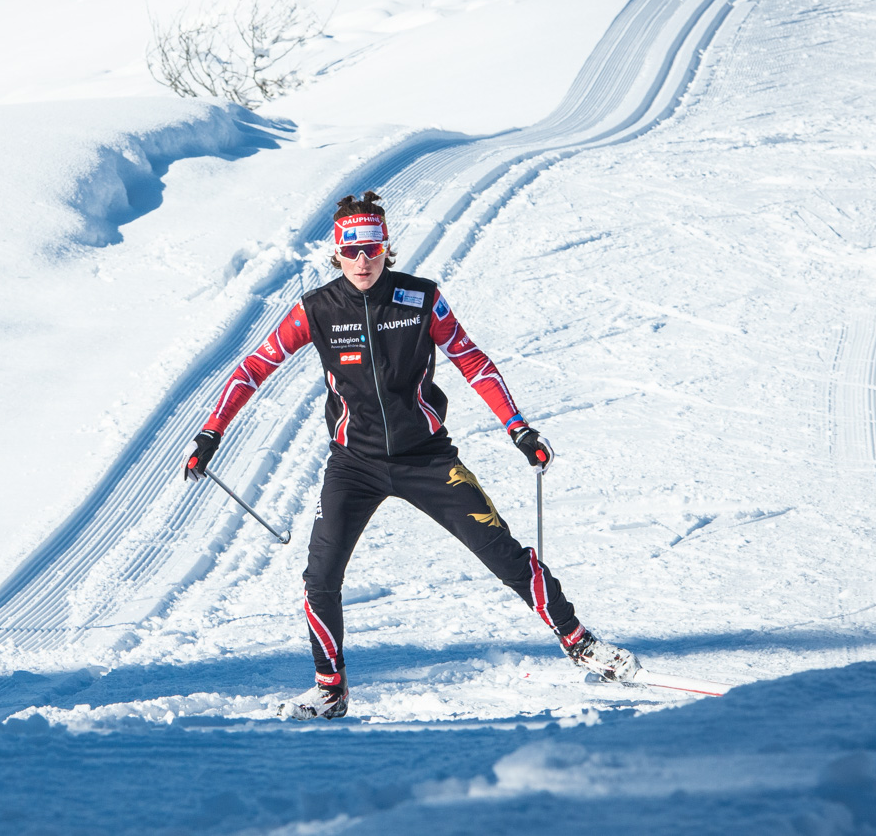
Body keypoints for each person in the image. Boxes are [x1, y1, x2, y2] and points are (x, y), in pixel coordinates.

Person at [181, 190, 638, 720]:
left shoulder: (421, 299)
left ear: (386, 247)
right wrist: (211, 432)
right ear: (336, 253)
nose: (362, 261)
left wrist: (520, 429)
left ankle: (583, 645)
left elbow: (473, 361)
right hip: (354, 464)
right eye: (350, 251)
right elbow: (252, 368)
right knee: (320, 577)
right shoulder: (316, 310)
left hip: (428, 459)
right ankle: (330, 691)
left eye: (371, 249)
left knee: (504, 554)